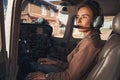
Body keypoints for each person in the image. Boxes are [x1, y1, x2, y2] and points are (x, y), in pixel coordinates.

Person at [26, 1, 104, 80]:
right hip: (68, 73)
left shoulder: (89, 44)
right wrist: (55, 63)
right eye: (77, 17)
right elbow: (73, 67)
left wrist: (46, 77)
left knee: (31, 73)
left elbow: (71, 76)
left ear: (95, 21)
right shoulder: (89, 39)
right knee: (34, 65)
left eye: (84, 17)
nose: (78, 21)